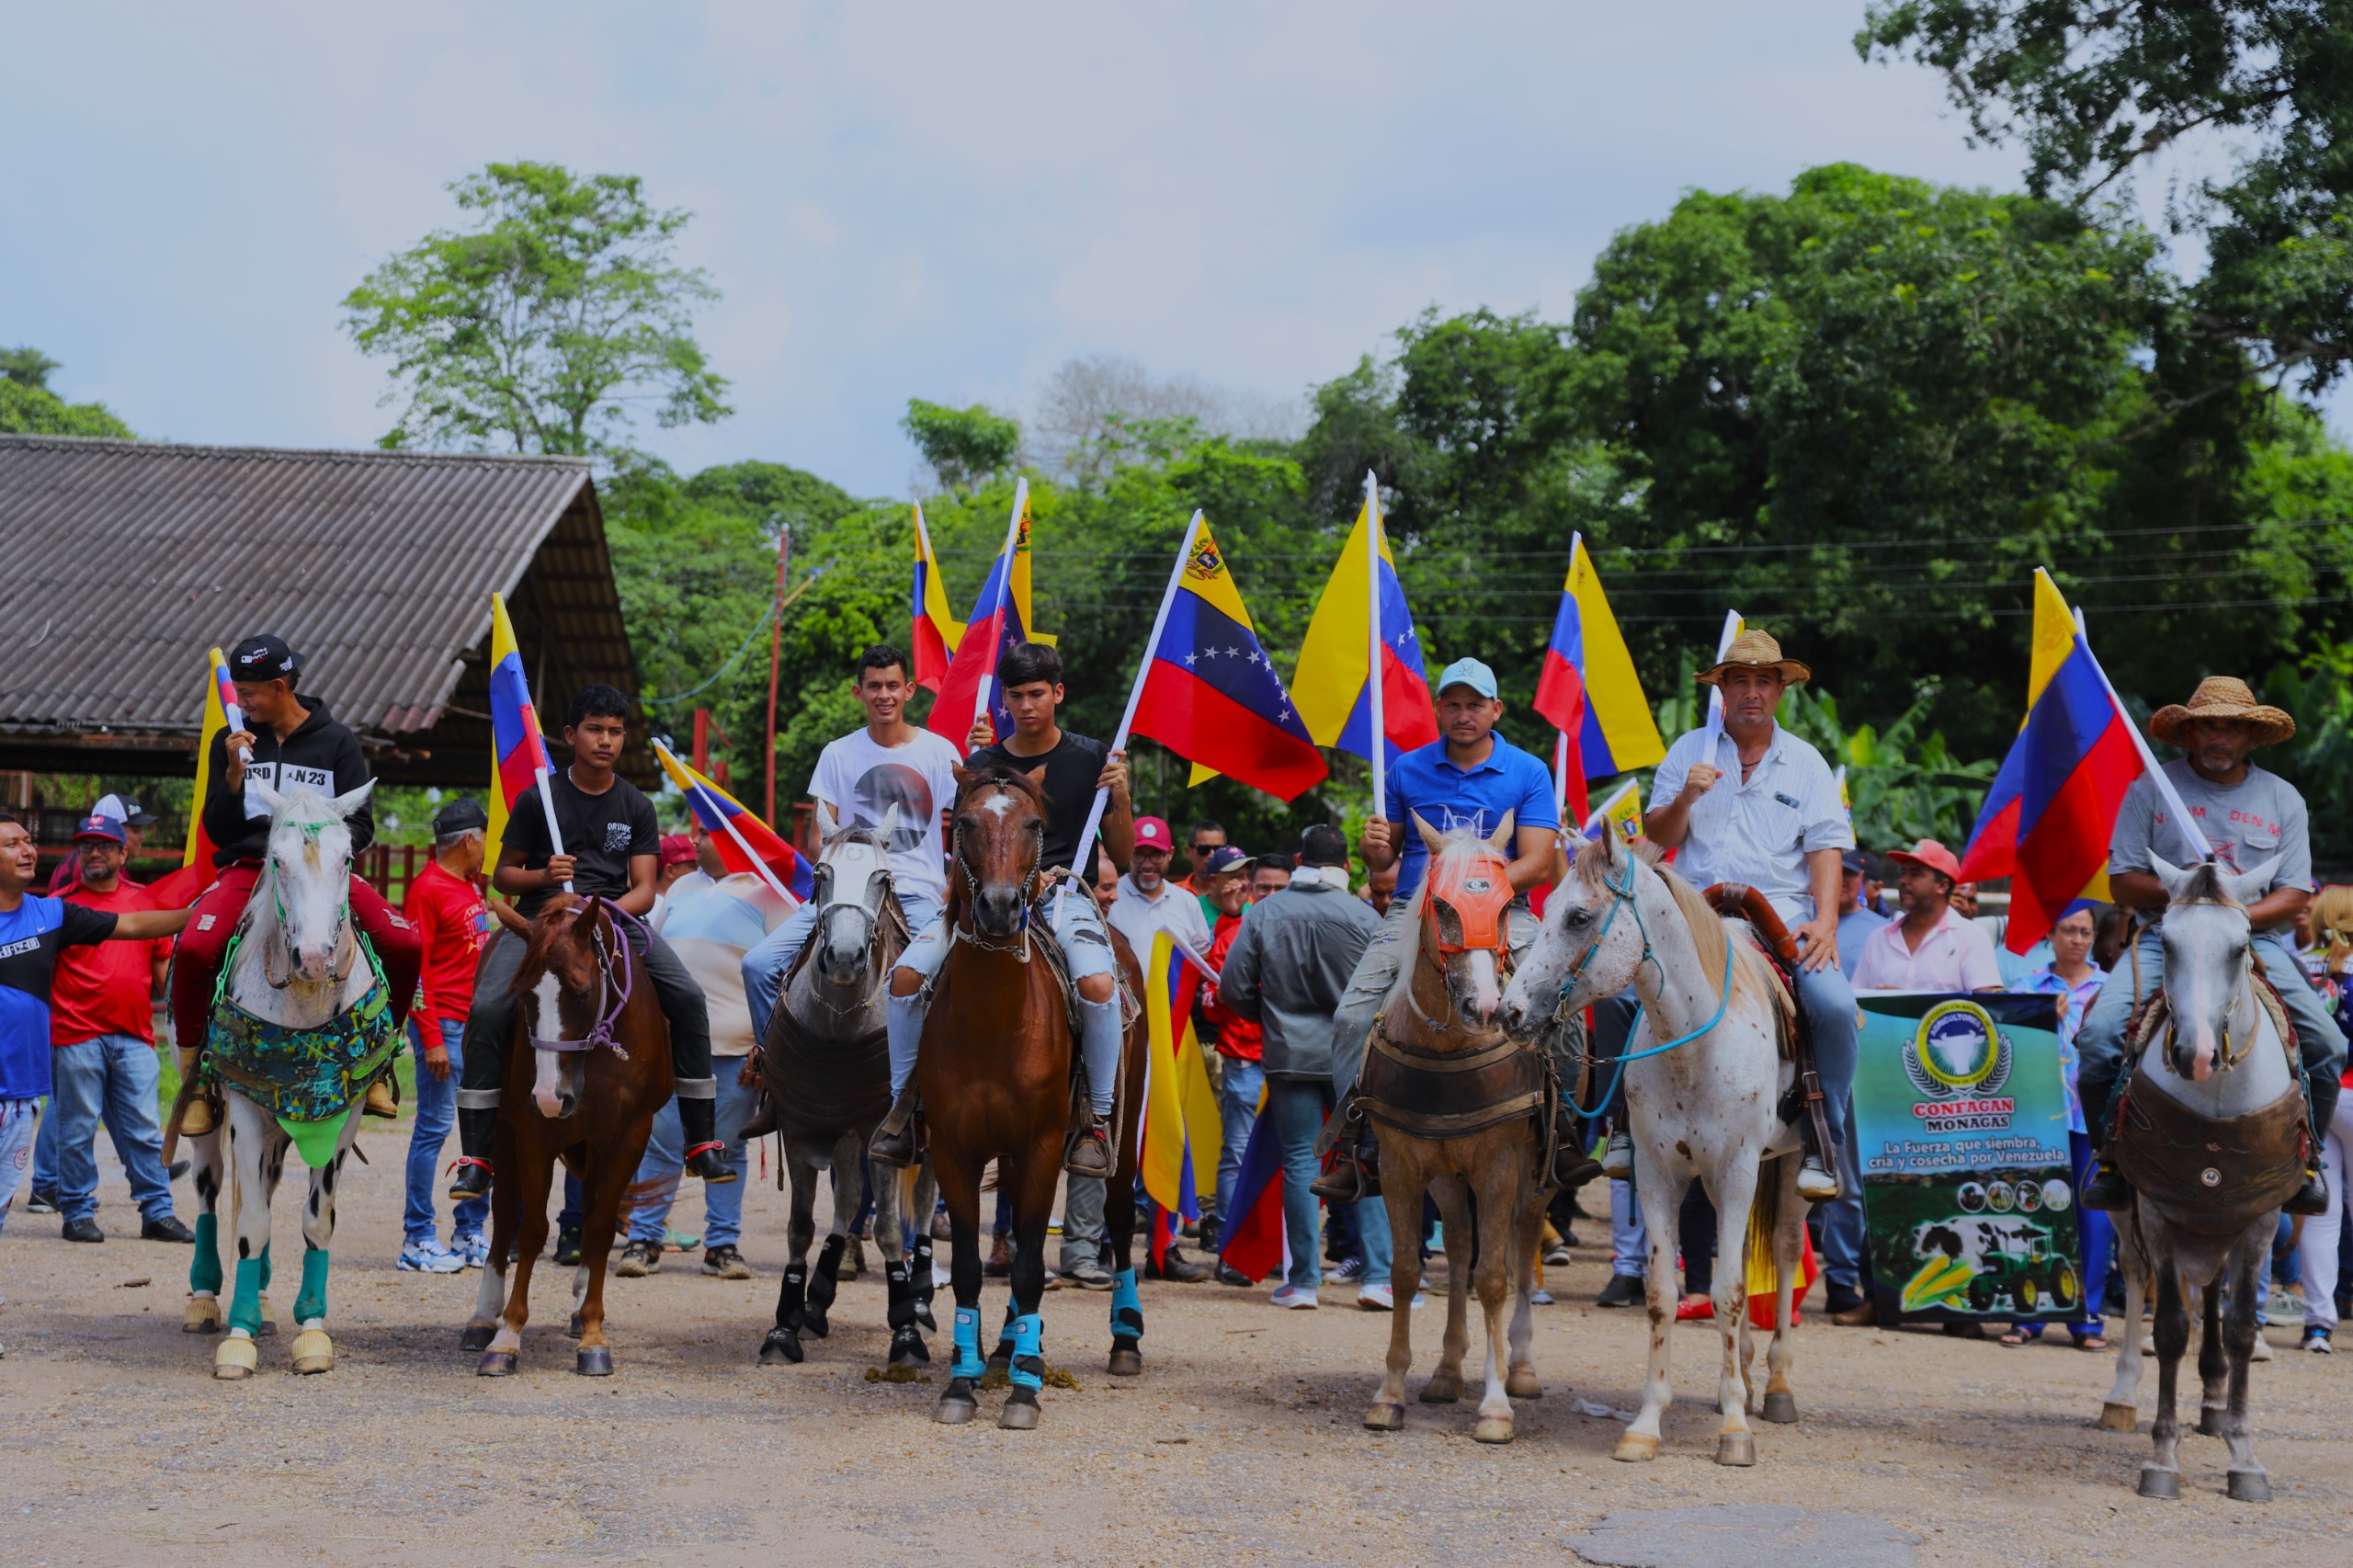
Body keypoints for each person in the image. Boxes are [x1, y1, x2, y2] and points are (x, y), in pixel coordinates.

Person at [447, 683, 733, 1200]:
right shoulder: (540, 799)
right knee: (489, 1008)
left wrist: (595, 918)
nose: (606, 740)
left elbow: (645, 889)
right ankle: (477, 1156)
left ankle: (700, 1141)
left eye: (616, 732)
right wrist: (541, 876)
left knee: (689, 999)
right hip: (539, 925)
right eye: (596, 730)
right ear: (571, 735)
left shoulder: (636, 804)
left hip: (612, 921)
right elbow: (503, 877)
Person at [2079, 676, 2344, 1216]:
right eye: (2208, 726)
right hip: (2165, 937)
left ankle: (2306, 1161)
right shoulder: (2151, 789)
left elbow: (2293, 892)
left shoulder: (2282, 798)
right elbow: (2123, 882)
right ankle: (2110, 1159)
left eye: (2232, 727)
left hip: (2254, 940)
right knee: (2098, 1038)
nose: (2218, 737)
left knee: (2328, 1045)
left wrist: (2228, 913)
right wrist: (2193, 906)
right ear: (2189, 734)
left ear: (2251, 736)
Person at [869, 642, 1134, 1178]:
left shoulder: (1092, 758)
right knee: (903, 978)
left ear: (1057, 693)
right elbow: (959, 851)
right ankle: (904, 1109)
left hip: (1062, 899)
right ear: (1004, 698)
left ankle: (1095, 1118)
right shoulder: (984, 761)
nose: (1027, 705)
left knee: (1099, 987)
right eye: (1016, 695)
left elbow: (1123, 859)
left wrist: (1122, 799)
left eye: (1037, 693)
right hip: (980, 903)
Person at [1320, 657, 1564, 1202]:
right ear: (1438, 710)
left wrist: (1477, 889)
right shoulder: (1406, 770)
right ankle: (1355, 1143)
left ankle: (1560, 1135)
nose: (1463, 714)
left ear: (1496, 710)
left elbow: (1538, 863)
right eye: (1452, 704)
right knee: (1351, 1015)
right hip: (1413, 911)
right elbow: (1380, 863)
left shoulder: (1527, 772)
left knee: (1561, 1012)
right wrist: (1373, 844)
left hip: (1506, 913)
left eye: (1475, 704)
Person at [1625, 630, 1856, 1202]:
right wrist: (1685, 799)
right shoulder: (1688, 751)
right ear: (1722, 689)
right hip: (1691, 918)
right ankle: (1620, 1133)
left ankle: (1825, 1140)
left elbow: (1828, 845)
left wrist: (1826, 922)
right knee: (1618, 996)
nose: (1752, 692)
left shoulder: (1806, 762)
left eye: (1763, 681)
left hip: (1780, 921)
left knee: (1836, 1008)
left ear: (1780, 690)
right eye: (1741, 680)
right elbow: (1654, 843)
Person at [169, 634, 423, 1137]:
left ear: (280, 687)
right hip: (250, 868)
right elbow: (219, 828)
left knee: (404, 941)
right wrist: (233, 773)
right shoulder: (235, 738)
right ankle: (196, 1079)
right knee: (197, 948)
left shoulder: (337, 741)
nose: (239, 703)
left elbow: (364, 825)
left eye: (248, 693)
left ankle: (378, 1062)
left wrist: (317, 845)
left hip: (321, 875)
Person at [741, 643, 961, 1046]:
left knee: (953, 975)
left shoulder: (939, 751)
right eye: (874, 686)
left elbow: (967, 823)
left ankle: (932, 1081)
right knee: (757, 965)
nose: (884, 695)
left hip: (915, 895)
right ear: (858, 692)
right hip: (844, 895)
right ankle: (770, 1062)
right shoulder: (837, 754)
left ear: (909, 690)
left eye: (893, 685)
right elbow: (816, 839)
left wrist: (951, 885)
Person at [1218, 824, 1398, 1309]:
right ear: (1344, 865)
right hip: (1355, 1058)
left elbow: (1231, 988)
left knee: (1299, 1161)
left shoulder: (1265, 913)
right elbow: (1392, 989)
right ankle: (1379, 1279)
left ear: (1299, 858)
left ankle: (1303, 1283)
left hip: (1289, 1054)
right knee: (1366, 1159)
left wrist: (1272, 1019)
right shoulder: (1364, 916)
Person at [0, 813, 192, 1233]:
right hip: (74, 1037)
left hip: (26, 1086)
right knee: (76, 1130)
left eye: (29, 841)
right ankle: (77, 1211)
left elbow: (137, 925)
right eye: (12, 844)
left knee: (2, 1196)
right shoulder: (67, 901)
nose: (28, 850)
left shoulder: (52, 915)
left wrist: (201, 913)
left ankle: (157, 1210)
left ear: (124, 852)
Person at [619, 841, 796, 1280]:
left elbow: (786, 973)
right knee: (659, 1142)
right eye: (697, 832)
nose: (697, 841)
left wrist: (766, 1044)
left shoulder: (768, 893)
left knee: (727, 1146)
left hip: (736, 1049)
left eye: (708, 832)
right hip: (672, 1045)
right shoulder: (679, 890)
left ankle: (722, 1245)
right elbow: (649, 958)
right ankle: (644, 1239)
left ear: (735, 840)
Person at [1103, 815, 1215, 1284]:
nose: (1148, 862)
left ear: (1171, 857)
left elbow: (1198, 961)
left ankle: (1164, 1249)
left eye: (1157, 854)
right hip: (1117, 1035)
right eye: (1141, 853)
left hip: (1169, 1042)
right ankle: (1111, 1247)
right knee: (1115, 1141)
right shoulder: (1109, 899)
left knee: (1170, 1137)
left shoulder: (1186, 903)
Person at [395, 798, 505, 1273]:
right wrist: (432, 1037)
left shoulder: (470, 886)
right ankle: (417, 1238)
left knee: (482, 1132)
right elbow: (415, 972)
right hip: (446, 1028)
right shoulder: (427, 890)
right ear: (470, 839)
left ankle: (469, 1232)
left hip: (476, 1027)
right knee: (435, 1129)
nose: (488, 849)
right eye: (486, 839)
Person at [2006, 905, 2113, 1349]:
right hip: (2038, 1117)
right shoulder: (2027, 986)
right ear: (2050, 934)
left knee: (2094, 1219)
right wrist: (2038, 1020)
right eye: (2069, 930)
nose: (2078, 939)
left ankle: (2085, 1317)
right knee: (2035, 1214)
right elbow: (2004, 1048)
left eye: (2086, 931)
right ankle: (2027, 1313)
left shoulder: (2111, 988)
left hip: (2091, 1118)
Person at [1196, 845, 1261, 1282]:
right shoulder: (1222, 931)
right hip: (1242, 1056)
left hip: (1283, 1057)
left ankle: (1266, 1246)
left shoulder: (1265, 920)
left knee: (1276, 1156)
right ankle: (1230, 1242)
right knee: (1237, 1153)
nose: (1238, 883)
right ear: (1213, 883)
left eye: (1245, 875)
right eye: (1230, 876)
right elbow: (1212, 1006)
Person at [1847, 841, 2006, 994]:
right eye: (1903, 872)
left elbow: (1986, 1009)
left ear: (1942, 886)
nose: (1903, 881)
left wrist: (1905, 1004)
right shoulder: (1878, 939)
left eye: (1915, 874)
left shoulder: (1971, 937)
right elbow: (1857, 1005)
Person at [1835, 848, 1888, 981]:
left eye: (1848, 873)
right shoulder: (1801, 919)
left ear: (1861, 877)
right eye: (1834, 872)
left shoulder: (1885, 930)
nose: (1840, 880)